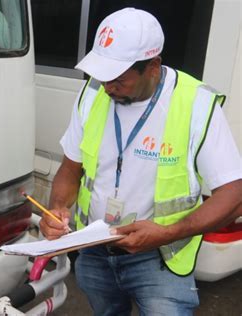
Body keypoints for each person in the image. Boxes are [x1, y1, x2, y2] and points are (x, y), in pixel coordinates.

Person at [39, 7, 242, 315]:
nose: (107, 88)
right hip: (95, 249)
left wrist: (168, 233)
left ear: (153, 66)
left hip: (160, 258)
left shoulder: (195, 103)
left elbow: (234, 195)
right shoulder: (93, 93)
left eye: (119, 80)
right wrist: (56, 208)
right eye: (102, 76)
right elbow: (70, 170)